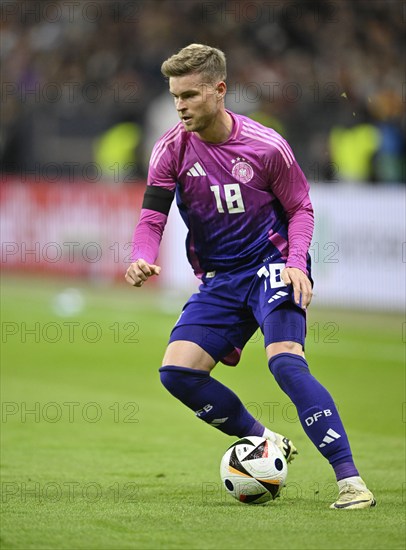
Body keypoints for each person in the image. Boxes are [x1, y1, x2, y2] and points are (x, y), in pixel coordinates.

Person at [125, 44, 375, 510]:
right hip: (221, 277)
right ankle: (265, 440)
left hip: (272, 263)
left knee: (284, 361)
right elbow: (151, 218)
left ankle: (351, 481)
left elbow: (300, 207)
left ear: (219, 91)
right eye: (175, 96)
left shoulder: (266, 146)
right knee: (177, 373)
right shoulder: (170, 150)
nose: (180, 106)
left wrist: (297, 262)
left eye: (190, 96)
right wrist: (141, 255)